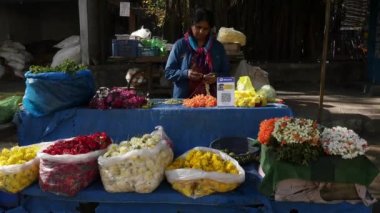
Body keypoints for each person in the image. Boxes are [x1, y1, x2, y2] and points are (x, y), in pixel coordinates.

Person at [165, 8, 230, 98]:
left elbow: (227, 74)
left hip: (213, 100)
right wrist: (186, 73)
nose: (201, 32)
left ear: (210, 29)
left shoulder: (217, 47)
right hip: (184, 101)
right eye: (198, 27)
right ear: (192, 25)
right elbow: (168, 72)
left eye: (205, 29)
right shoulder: (180, 45)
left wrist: (216, 77)